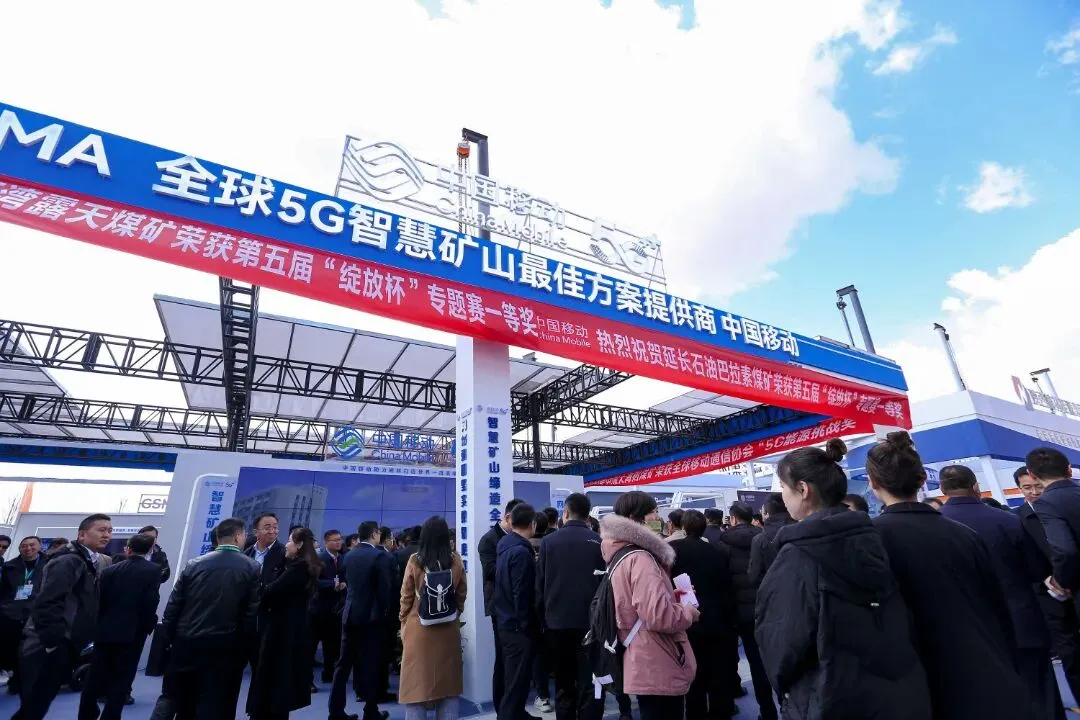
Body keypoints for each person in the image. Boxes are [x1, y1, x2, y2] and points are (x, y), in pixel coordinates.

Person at [755, 440, 931, 719]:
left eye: (783, 487)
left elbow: (780, 642)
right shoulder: (874, 536)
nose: (783, 496)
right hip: (899, 689)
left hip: (831, 697)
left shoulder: (798, 555)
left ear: (803, 490)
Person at [870, 431, 1034, 719]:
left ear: (872, 483)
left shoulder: (869, 539)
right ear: (923, 479)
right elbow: (995, 605)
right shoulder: (963, 534)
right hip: (983, 670)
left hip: (917, 681)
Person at [938, 464, 1064, 719]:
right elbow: (1037, 570)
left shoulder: (936, 527)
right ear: (976, 487)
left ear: (942, 489)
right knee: (1042, 695)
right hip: (1022, 622)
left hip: (971, 633)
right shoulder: (1008, 520)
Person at [601, 491, 698, 720]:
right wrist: (687, 612)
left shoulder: (620, 554)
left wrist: (669, 596)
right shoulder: (642, 558)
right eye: (653, 512)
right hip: (656, 656)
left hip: (640, 652)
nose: (658, 517)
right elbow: (658, 616)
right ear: (635, 517)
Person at [13, 513, 111, 720]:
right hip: (45, 645)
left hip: (63, 644)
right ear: (82, 534)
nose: (107, 535)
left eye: (110, 531)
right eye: (101, 530)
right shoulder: (69, 561)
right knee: (33, 708)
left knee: (36, 705)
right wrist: (53, 643)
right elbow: (48, 602)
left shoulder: (88, 561)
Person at [160, 517, 260, 719]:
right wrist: (245, 649)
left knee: (185, 702)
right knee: (219, 703)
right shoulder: (251, 567)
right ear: (237, 536)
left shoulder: (193, 564)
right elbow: (251, 614)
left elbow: (173, 607)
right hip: (226, 647)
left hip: (187, 643)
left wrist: (171, 640)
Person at [536, 493, 606, 720]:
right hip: (591, 624)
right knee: (590, 680)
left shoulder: (548, 542)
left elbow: (540, 585)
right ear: (588, 515)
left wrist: (543, 620)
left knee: (564, 682)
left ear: (565, 512)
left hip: (557, 623)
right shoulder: (598, 542)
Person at [77, 533, 161, 720]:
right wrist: (148, 626)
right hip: (133, 633)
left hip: (105, 631)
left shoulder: (110, 570)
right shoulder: (153, 570)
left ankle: (86, 714)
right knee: (122, 679)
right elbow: (151, 601)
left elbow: (100, 602)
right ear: (150, 549)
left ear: (128, 548)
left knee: (95, 676)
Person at [1015, 465, 1080, 704]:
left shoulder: (1060, 506)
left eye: (1037, 486)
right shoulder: (1015, 519)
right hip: (1048, 595)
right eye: (1027, 488)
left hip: (1074, 585)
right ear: (1020, 488)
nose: (1033, 492)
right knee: (1070, 653)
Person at [398, 516, 467, 720]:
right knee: (448, 686)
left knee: (415, 686)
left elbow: (406, 596)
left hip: (418, 628)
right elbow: (461, 593)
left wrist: (404, 619)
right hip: (448, 628)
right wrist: (455, 613)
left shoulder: (415, 560)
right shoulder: (455, 560)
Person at [670, 510, 737, 720]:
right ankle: (721, 712)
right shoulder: (718, 550)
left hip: (690, 618)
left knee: (693, 673)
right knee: (720, 671)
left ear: (683, 526)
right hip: (719, 618)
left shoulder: (673, 550)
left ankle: (695, 714)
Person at [248, 527, 320, 720]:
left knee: (276, 674)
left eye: (289, 540)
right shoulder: (302, 566)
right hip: (291, 626)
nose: (285, 545)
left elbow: (270, 592)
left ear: (299, 545)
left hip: (282, 629)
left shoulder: (298, 569)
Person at [716, 501, 776, 720]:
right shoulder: (765, 538)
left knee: (755, 663)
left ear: (732, 518)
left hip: (741, 612)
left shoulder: (723, 544)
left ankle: (767, 712)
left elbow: (723, 580)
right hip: (768, 607)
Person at [330, 521, 395, 720]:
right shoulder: (380, 556)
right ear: (375, 534)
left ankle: (335, 711)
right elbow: (385, 591)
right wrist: (386, 613)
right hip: (372, 618)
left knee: (343, 665)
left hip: (349, 615)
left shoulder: (349, 555)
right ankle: (370, 710)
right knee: (371, 664)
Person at [495, 503, 541, 720]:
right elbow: (521, 594)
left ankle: (517, 715)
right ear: (532, 524)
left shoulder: (505, 545)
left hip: (506, 621)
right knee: (516, 682)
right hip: (517, 627)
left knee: (514, 678)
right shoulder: (521, 552)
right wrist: (527, 626)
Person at [478, 498, 523, 712]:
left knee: (519, 661)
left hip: (519, 605)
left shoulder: (518, 538)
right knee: (504, 659)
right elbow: (489, 571)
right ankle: (502, 709)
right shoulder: (489, 540)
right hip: (500, 607)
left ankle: (517, 709)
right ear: (507, 518)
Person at [1029, 447, 1080, 593]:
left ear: (1031, 475)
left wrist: (1059, 582)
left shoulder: (1046, 502)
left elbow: (1065, 550)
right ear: (1069, 469)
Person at [0, 536, 43, 694]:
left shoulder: (49, 565)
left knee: (28, 651)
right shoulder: (9, 566)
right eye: (24, 545)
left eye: (32, 545)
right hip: (10, 614)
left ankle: (19, 681)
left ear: (39, 547)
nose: (28, 548)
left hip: (34, 614)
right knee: (8, 648)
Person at [526, 512, 553, 715]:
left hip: (533, 609)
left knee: (537, 655)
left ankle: (543, 696)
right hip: (554, 608)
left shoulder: (523, 546)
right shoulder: (553, 544)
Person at [313, 529, 346, 685]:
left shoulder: (343, 559)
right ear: (326, 542)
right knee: (313, 644)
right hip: (319, 608)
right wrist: (333, 584)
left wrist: (344, 584)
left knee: (332, 644)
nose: (338, 542)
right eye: (335, 540)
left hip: (336, 608)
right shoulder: (319, 559)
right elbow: (314, 581)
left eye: (340, 539)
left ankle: (329, 673)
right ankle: (308, 681)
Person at [748, 493, 794, 587]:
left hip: (773, 591)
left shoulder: (759, 540)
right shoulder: (801, 531)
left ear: (766, 513)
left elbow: (754, 576)